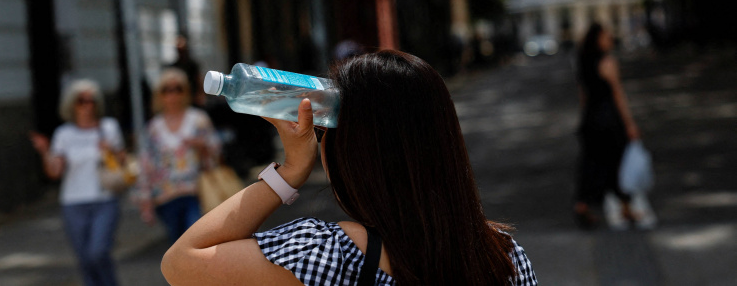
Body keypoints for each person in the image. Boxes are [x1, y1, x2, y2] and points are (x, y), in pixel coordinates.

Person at [161, 50, 537, 285]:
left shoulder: (330, 255)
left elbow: (180, 263)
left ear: (356, 152)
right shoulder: (505, 257)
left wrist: (289, 172)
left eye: (326, 131)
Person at [30, 79, 124, 286]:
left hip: (104, 199)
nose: (87, 105)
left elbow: (123, 162)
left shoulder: (108, 127)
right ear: (71, 104)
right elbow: (55, 172)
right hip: (73, 202)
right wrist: (45, 151)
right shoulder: (64, 134)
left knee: (98, 252)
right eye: (81, 101)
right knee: (84, 259)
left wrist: (111, 151)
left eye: (91, 100)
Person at [137, 68, 220, 242]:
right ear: (159, 95)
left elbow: (216, 154)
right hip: (165, 195)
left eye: (178, 89)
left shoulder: (198, 119)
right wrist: (145, 201)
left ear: (185, 92)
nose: (172, 94)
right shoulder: (153, 128)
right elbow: (145, 165)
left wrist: (201, 146)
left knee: (195, 239)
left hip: (196, 192)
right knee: (177, 244)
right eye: (167, 90)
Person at [573, 23, 641, 229]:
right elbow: (617, 94)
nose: (610, 39)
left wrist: (584, 119)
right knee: (618, 161)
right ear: (598, 39)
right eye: (606, 36)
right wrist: (630, 123)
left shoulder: (583, 62)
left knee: (592, 163)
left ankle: (584, 204)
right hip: (609, 119)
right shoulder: (607, 61)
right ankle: (626, 206)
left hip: (591, 118)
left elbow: (583, 95)